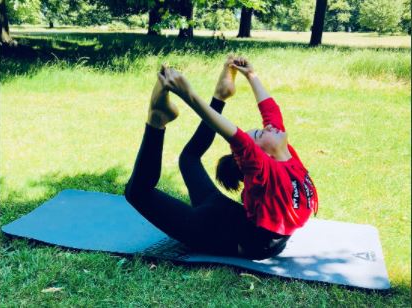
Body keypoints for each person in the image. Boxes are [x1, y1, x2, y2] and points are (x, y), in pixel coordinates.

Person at [124, 56, 318, 260]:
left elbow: (270, 111)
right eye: (261, 133)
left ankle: (157, 120)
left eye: (261, 131)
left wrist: (251, 76)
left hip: (231, 229)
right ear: (260, 155)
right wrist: (189, 95)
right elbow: (233, 134)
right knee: (175, 167)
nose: (269, 127)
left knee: (142, 189)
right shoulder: (264, 167)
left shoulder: (283, 155)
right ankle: (164, 115)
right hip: (228, 225)